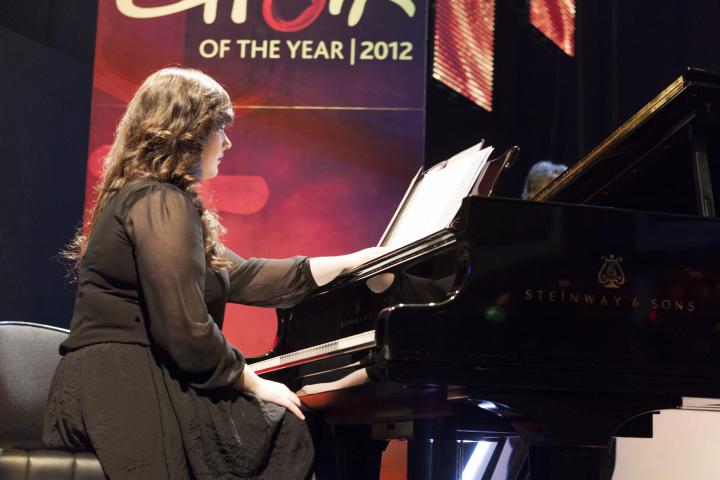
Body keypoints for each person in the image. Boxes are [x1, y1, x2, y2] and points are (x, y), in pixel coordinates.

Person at [42, 67, 385, 480]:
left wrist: (351, 262)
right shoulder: (159, 202)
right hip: (125, 388)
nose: (227, 141)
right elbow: (183, 327)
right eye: (219, 126)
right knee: (289, 428)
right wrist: (249, 380)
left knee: (293, 424)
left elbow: (244, 276)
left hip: (119, 380)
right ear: (188, 131)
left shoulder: (151, 199)